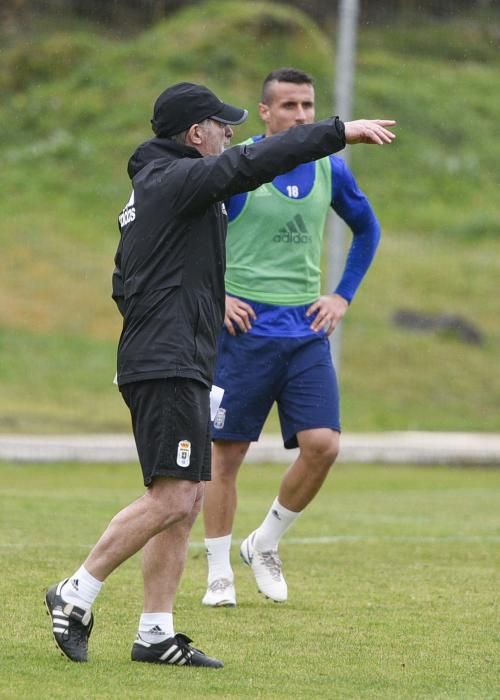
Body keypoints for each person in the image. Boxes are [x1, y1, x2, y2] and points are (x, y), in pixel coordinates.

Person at [44, 80, 395, 668]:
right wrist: (337, 132)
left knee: (183, 494)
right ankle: (76, 591)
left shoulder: (153, 189)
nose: (230, 133)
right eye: (221, 125)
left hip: (174, 356)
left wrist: (170, 323)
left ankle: (155, 632)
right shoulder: (180, 179)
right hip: (169, 361)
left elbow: (121, 282)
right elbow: (254, 161)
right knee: (176, 495)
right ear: (194, 134)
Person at [202, 68, 383, 608]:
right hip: (243, 332)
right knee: (226, 455)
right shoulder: (238, 167)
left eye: (308, 106)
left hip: (303, 331)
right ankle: (217, 572)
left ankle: (264, 544)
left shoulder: (328, 165)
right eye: (289, 107)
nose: (301, 116)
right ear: (264, 111)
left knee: (323, 445)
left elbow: (367, 228)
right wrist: (216, 297)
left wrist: (342, 295)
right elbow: (191, 236)